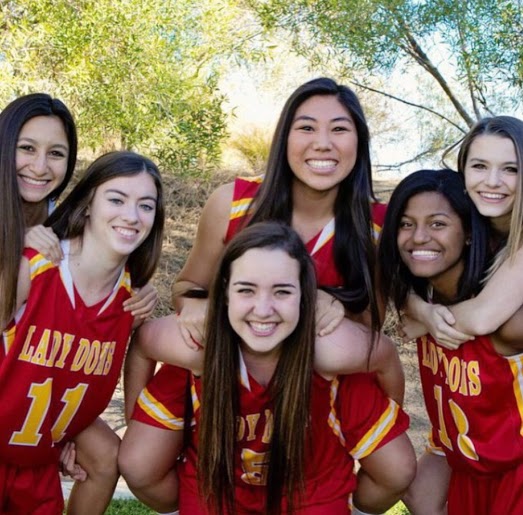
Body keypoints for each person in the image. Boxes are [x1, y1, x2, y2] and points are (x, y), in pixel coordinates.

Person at [119, 78, 405, 512]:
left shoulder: (378, 225)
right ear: (284, 137)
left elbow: (371, 330)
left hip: (317, 390)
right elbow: (186, 288)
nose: (322, 144)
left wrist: (336, 304)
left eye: (340, 129)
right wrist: (197, 302)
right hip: (225, 381)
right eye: (306, 127)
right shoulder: (233, 202)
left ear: (360, 142)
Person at [132, 221, 414, 514]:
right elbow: (142, 344)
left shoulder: (332, 352)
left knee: (398, 467)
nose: (263, 309)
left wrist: (391, 413)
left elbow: (386, 356)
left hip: (311, 489)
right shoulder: (193, 346)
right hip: (215, 486)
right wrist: (135, 421)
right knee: (137, 463)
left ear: (306, 295)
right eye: (246, 290)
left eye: (282, 292)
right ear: (225, 292)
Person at [0, 93, 158, 514]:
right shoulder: (32, 264)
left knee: (103, 453)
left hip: (27, 406)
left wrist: (60, 427)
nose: (40, 166)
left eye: (56, 153)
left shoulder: (57, 228)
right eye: (27, 148)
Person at [379, 168, 523, 514]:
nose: (419, 237)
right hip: (465, 464)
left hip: (514, 472)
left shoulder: (505, 318)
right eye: (406, 224)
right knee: (416, 494)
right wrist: (420, 310)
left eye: (438, 224)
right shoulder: (423, 297)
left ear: (471, 234)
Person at [404, 116, 523, 346]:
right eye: (480, 166)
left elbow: (482, 318)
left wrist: (427, 321)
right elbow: (394, 276)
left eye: (510, 169)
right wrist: (420, 309)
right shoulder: (463, 219)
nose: (492, 181)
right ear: (463, 169)